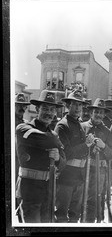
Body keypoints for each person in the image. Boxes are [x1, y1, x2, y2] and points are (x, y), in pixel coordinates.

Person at [15, 90, 66, 223]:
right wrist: (57, 143)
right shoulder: (23, 128)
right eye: (44, 108)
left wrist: (58, 158)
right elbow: (48, 141)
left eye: (52, 109)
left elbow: (63, 163)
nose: (48, 113)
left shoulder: (53, 135)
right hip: (30, 190)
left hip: (48, 190)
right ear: (37, 109)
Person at [54, 90, 95, 223]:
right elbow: (65, 152)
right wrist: (86, 145)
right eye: (75, 104)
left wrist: (89, 144)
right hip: (66, 175)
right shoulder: (62, 125)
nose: (78, 108)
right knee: (61, 213)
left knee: (75, 214)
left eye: (80, 105)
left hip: (80, 175)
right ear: (68, 106)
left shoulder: (79, 124)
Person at [81, 98, 112, 223]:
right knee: (82, 197)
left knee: (97, 198)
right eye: (96, 112)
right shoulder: (83, 127)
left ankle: (95, 222)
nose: (98, 115)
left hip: (100, 170)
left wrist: (103, 146)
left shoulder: (107, 131)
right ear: (91, 113)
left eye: (101, 113)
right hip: (83, 168)